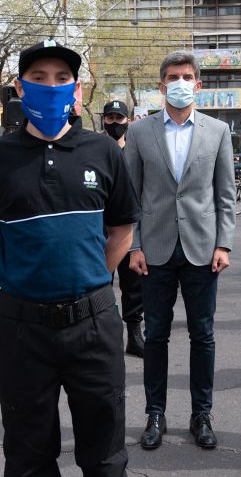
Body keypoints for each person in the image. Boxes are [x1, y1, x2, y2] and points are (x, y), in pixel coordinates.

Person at [0, 40, 138, 476]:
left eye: (62, 79)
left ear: (76, 90)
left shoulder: (103, 151)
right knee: (27, 455)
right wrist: (25, 281)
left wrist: (93, 277)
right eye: (38, 78)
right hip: (23, 329)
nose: (51, 86)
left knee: (104, 452)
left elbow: (121, 229)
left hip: (94, 324)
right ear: (21, 89)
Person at [124, 50, 235, 452]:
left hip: (203, 251)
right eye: (173, 76)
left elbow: (224, 194)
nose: (180, 82)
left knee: (202, 335)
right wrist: (133, 245)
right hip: (153, 250)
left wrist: (224, 243)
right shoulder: (140, 132)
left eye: (188, 76)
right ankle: (155, 413)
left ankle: (201, 414)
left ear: (198, 84)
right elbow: (131, 195)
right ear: (161, 85)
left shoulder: (217, 131)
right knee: (155, 336)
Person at [101, 99, 145, 357]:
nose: (115, 123)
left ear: (128, 120)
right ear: (103, 120)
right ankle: (105, 335)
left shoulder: (136, 152)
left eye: (119, 118)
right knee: (101, 285)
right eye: (110, 119)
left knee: (133, 286)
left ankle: (134, 335)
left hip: (130, 230)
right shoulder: (95, 150)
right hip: (101, 231)